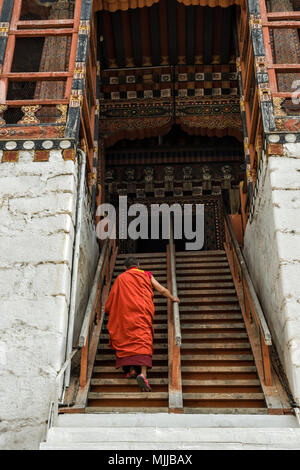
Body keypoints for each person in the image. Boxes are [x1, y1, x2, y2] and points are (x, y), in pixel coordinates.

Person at [105, 256, 180, 392]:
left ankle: (132, 370)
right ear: (138, 265)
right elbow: (161, 289)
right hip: (141, 314)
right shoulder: (146, 275)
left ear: (125, 267)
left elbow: (112, 297)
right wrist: (172, 297)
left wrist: (109, 310)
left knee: (127, 339)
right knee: (143, 340)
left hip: (126, 316)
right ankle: (143, 374)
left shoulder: (121, 278)